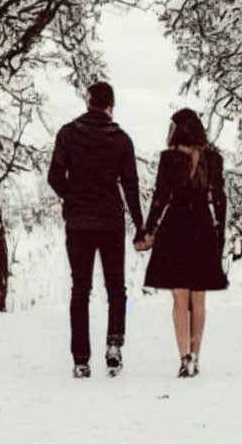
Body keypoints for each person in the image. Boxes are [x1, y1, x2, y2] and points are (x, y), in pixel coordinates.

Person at [48, 81, 145, 379]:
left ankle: (81, 359)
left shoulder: (67, 134)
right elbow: (130, 186)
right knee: (116, 287)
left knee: (81, 289)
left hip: (78, 221)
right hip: (111, 220)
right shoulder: (121, 140)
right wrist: (140, 226)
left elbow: (54, 176)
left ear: (89, 101)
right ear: (110, 105)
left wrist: (72, 196)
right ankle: (114, 346)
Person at [138, 108, 228, 378]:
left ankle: (183, 357)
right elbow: (220, 198)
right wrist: (219, 234)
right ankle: (196, 356)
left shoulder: (169, 158)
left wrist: (148, 228)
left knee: (180, 297)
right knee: (198, 298)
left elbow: (161, 197)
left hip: (176, 227)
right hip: (202, 226)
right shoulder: (213, 159)